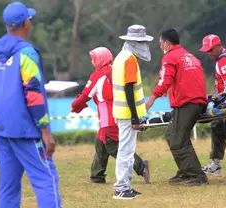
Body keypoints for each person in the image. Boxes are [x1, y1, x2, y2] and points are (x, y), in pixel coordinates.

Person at [0, 2, 61, 207]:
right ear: (25, 24)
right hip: (26, 130)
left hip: (2, 130)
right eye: (29, 19)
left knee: (7, 188)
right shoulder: (26, 54)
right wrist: (45, 132)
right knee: (47, 180)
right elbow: (34, 95)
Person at [70, 47, 150, 185]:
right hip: (121, 113)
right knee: (101, 144)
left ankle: (141, 166)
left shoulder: (98, 75)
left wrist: (74, 105)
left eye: (94, 58)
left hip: (109, 118)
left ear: (100, 59)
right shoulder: (116, 70)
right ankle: (97, 176)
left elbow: (85, 96)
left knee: (113, 146)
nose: (92, 61)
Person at [146, 28, 208, 186]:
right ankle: (185, 171)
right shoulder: (190, 56)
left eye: (160, 43)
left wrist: (152, 98)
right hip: (198, 101)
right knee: (172, 135)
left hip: (187, 103)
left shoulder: (170, 57)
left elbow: (164, 80)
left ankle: (197, 176)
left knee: (177, 139)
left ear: (167, 43)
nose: (160, 47)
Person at [111, 25, 153, 199]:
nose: (144, 46)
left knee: (126, 151)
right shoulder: (129, 59)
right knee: (126, 152)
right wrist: (135, 116)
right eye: (141, 42)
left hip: (123, 113)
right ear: (134, 43)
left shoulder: (121, 57)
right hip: (128, 115)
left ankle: (125, 186)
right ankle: (121, 188)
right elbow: (129, 88)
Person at [198, 34, 226, 177]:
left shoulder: (223, 61)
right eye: (207, 51)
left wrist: (218, 98)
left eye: (211, 50)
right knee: (216, 126)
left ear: (219, 46)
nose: (209, 53)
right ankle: (215, 165)